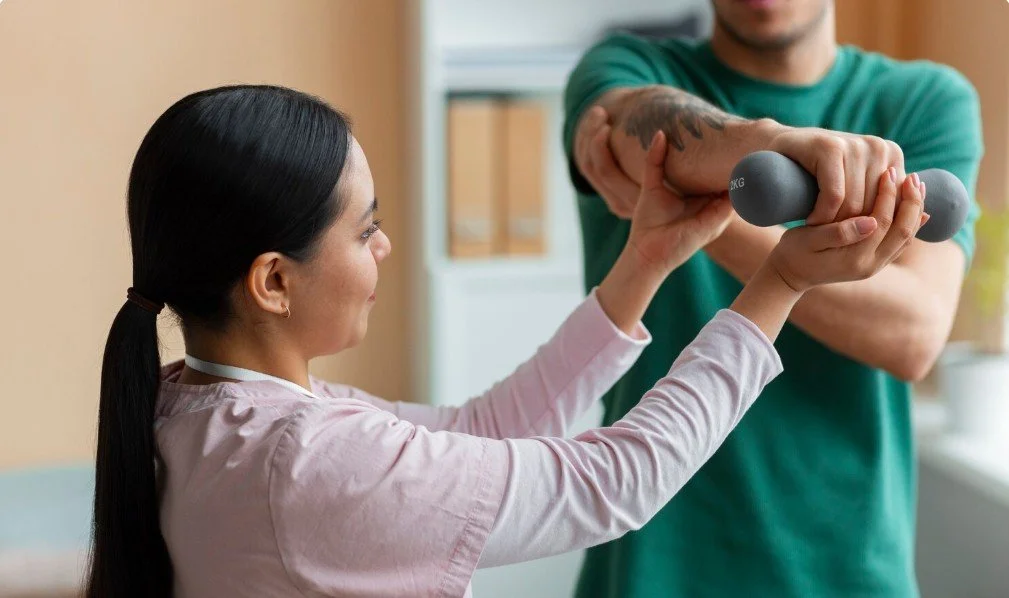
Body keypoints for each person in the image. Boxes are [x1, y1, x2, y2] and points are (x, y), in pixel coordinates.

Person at [85, 84, 923, 597]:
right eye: (363, 228)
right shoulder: (306, 463)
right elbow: (615, 483)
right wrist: (779, 284)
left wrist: (644, 261)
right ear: (273, 281)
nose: (382, 246)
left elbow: (484, 430)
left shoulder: (195, 408)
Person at [563, 0, 982, 596]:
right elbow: (630, 128)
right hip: (653, 571)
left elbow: (912, 335)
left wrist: (700, 205)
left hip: (849, 575)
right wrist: (772, 147)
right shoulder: (624, 65)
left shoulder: (923, 98)